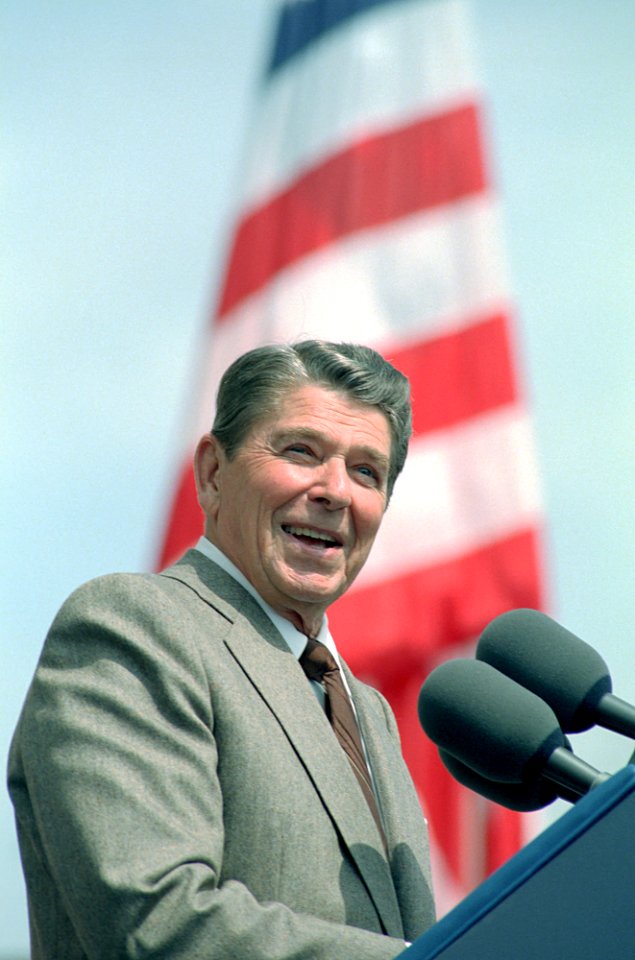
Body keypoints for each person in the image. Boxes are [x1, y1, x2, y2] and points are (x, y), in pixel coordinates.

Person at [8, 340, 436, 959]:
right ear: (213, 471)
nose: (336, 491)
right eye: (301, 452)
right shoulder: (135, 626)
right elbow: (155, 919)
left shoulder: (367, 711)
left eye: (367, 471)